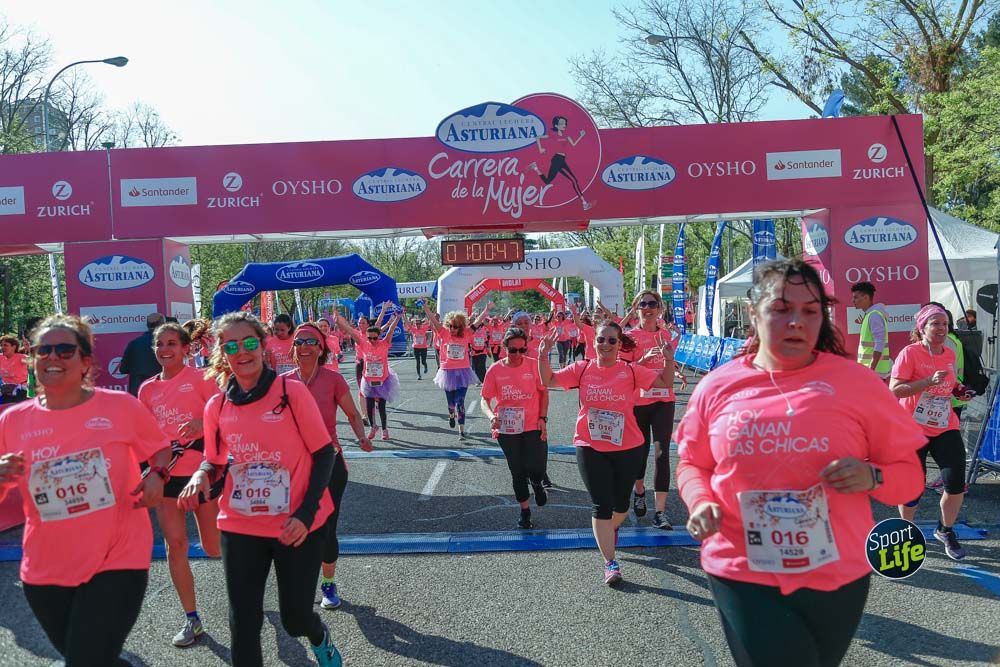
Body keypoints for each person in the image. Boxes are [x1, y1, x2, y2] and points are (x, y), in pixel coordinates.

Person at [676, 259, 925, 667]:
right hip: (742, 565)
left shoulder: (857, 384)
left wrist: (871, 475)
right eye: (781, 309)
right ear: (753, 313)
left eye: (810, 311)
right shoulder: (717, 386)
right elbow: (692, 464)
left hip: (837, 572)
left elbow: (910, 479)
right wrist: (700, 500)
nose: (796, 322)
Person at [0, 314, 173, 667]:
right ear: (32, 358)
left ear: (85, 361)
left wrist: (157, 474)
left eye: (64, 350)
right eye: (42, 350)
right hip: (45, 567)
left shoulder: (119, 407)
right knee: (93, 658)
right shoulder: (12, 420)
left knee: (85, 660)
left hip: (117, 557)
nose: (52, 358)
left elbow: (160, 449)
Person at [178, 311, 342, 667]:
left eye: (250, 342)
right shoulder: (216, 405)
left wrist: (304, 513)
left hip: (297, 522)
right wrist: (199, 477)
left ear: (264, 345)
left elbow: (324, 453)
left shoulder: (290, 391)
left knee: (295, 619)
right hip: (240, 524)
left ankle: (319, 636)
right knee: (243, 622)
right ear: (222, 352)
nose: (242, 351)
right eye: (232, 345)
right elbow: (215, 460)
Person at [538, 321, 675, 585]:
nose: (606, 345)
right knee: (601, 504)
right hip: (590, 446)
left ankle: (609, 529)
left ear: (619, 344)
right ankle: (610, 562)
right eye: (601, 340)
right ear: (594, 342)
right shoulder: (583, 368)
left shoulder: (632, 371)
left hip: (627, 446)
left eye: (612, 341)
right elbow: (549, 380)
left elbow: (665, 382)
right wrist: (543, 355)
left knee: (621, 506)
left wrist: (669, 360)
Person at [137, 322, 222, 647]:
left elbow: (225, 415)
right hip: (167, 475)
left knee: (213, 548)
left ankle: (246, 585)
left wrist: (203, 423)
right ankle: (192, 619)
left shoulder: (201, 379)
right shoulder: (147, 390)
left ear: (186, 348)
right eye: (160, 344)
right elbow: (142, 434)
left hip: (200, 470)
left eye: (172, 343)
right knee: (176, 545)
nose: (165, 349)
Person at [283, 321, 373, 611]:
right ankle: (299, 581)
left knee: (326, 529)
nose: (305, 347)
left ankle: (328, 583)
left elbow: (352, 413)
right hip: (293, 467)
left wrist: (361, 437)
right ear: (292, 349)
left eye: (311, 341)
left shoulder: (332, 379)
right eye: (299, 342)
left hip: (329, 464)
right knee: (294, 526)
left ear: (321, 348)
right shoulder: (282, 383)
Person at [891, 304, 974, 561]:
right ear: (922, 328)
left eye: (944, 324)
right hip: (912, 427)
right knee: (912, 486)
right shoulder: (910, 353)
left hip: (944, 424)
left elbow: (950, 383)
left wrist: (960, 390)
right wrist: (927, 382)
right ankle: (907, 531)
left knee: (955, 482)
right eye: (935, 324)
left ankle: (945, 530)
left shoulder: (949, 353)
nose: (941, 329)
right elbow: (895, 389)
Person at [480, 327, 549, 528]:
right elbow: (485, 399)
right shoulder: (495, 370)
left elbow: (544, 393)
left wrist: (543, 418)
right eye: (513, 350)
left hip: (533, 424)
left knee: (537, 467)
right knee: (517, 470)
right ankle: (525, 510)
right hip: (507, 428)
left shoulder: (534, 366)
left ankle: (536, 483)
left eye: (522, 350)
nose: (518, 355)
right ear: (504, 348)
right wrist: (492, 416)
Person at [620, 290, 677, 529]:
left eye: (652, 303)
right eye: (643, 304)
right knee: (639, 452)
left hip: (664, 399)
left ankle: (660, 513)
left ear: (659, 308)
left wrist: (669, 363)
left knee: (662, 454)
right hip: (638, 401)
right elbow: (622, 372)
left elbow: (669, 372)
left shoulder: (668, 336)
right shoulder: (628, 337)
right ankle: (640, 490)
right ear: (636, 309)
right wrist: (643, 361)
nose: (648, 307)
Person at [336, 305, 402, 441]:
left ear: (378, 336)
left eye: (374, 338)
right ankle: (373, 427)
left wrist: (397, 318)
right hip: (368, 380)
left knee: (381, 406)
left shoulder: (384, 343)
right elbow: (350, 330)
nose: (372, 341)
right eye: (370, 338)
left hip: (383, 380)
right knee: (370, 405)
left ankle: (384, 429)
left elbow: (390, 331)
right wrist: (339, 320)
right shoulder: (363, 344)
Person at [423, 303, 483, 439]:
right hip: (447, 372)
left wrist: (486, 310)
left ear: (461, 327)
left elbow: (478, 322)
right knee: (451, 403)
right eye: (450, 326)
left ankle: (461, 430)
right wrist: (426, 308)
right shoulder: (443, 333)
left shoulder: (467, 333)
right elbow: (433, 320)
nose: (452, 329)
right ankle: (451, 414)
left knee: (460, 401)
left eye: (455, 327)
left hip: (463, 372)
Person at [527, 115, 593, 211]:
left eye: (565, 123)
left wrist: (581, 136)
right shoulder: (552, 134)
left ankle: (535, 167)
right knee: (573, 180)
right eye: (561, 124)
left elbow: (573, 144)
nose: (564, 125)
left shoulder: (566, 136)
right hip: (557, 160)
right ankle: (584, 203)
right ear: (556, 125)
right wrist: (540, 148)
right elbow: (538, 137)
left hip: (562, 160)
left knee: (549, 181)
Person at [850, 282, 891, 380]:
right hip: (872, 371)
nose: (853, 300)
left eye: (856, 297)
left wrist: (871, 368)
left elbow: (879, 343)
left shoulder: (874, 315)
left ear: (866, 297)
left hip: (874, 372)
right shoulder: (871, 315)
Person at [119, 312, 165, 395]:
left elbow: (123, 369)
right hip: (160, 391)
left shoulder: (134, 343)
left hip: (138, 391)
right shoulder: (167, 344)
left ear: (147, 325)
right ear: (163, 325)